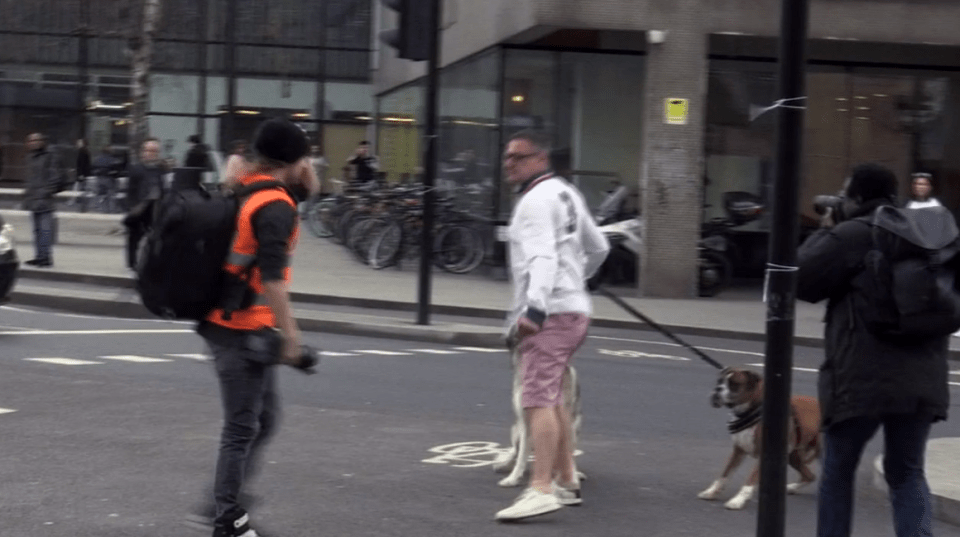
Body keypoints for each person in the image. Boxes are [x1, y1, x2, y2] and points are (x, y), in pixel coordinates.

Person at [797, 163, 949, 537]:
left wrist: (826, 229)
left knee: (837, 473)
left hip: (860, 381)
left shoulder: (852, 234)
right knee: (907, 473)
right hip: (921, 382)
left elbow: (800, 279)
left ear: (858, 197)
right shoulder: (925, 233)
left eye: (846, 194)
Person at [192, 118, 315, 537]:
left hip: (235, 324)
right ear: (295, 160)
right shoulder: (275, 206)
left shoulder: (249, 187)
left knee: (263, 418)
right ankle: (226, 519)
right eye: (308, 156)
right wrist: (293, 339)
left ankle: (222, 502)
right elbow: (274, 279)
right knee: (243, 426)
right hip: (238, 329)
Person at [495, 129, 609, 522]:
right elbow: (599, 247)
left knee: (537, 399)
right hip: (574, 308)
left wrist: (535, 311)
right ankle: (566, 479)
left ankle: (540, 487)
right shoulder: (566, 192)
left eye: (519, 157)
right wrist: (579, 278)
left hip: (551, 314)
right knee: (555, 396)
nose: (509, 163)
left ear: (541, 159)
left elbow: (542, 258)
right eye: (507, 157)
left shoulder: (535, 201)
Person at [123, 138, 168, 271]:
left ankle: (151, 263)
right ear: (142, 152)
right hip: (139, 209)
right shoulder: (136, 169)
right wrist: (131, 208)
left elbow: (165, 190)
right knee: (133, 238)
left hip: (155, 210)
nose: (150, 153)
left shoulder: (161, 171)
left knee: (155, 239)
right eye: (148, 150)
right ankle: (132, 263)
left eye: (154, 151)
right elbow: (130, 190)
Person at [23, 133, 61, 267]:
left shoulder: (49, 155)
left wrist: (46, 192)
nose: (33, 143)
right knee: (37, 230)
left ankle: (46, 258)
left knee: (45, 230)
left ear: (43, 141)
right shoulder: (30, 157)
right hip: (33, 199)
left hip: (44, 199)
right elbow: (31, 178)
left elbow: (54, 176)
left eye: (36, 140)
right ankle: (39, 256)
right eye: (31, 140)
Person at [91, 146, 122, 213]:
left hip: (99, 179)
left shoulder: (98, 158)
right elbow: (117, 169)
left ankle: (101, 209)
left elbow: (93, 167)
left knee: (101, 195)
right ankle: (112, 209)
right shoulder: (113, 159)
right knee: (111, 195)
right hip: (109, 179)